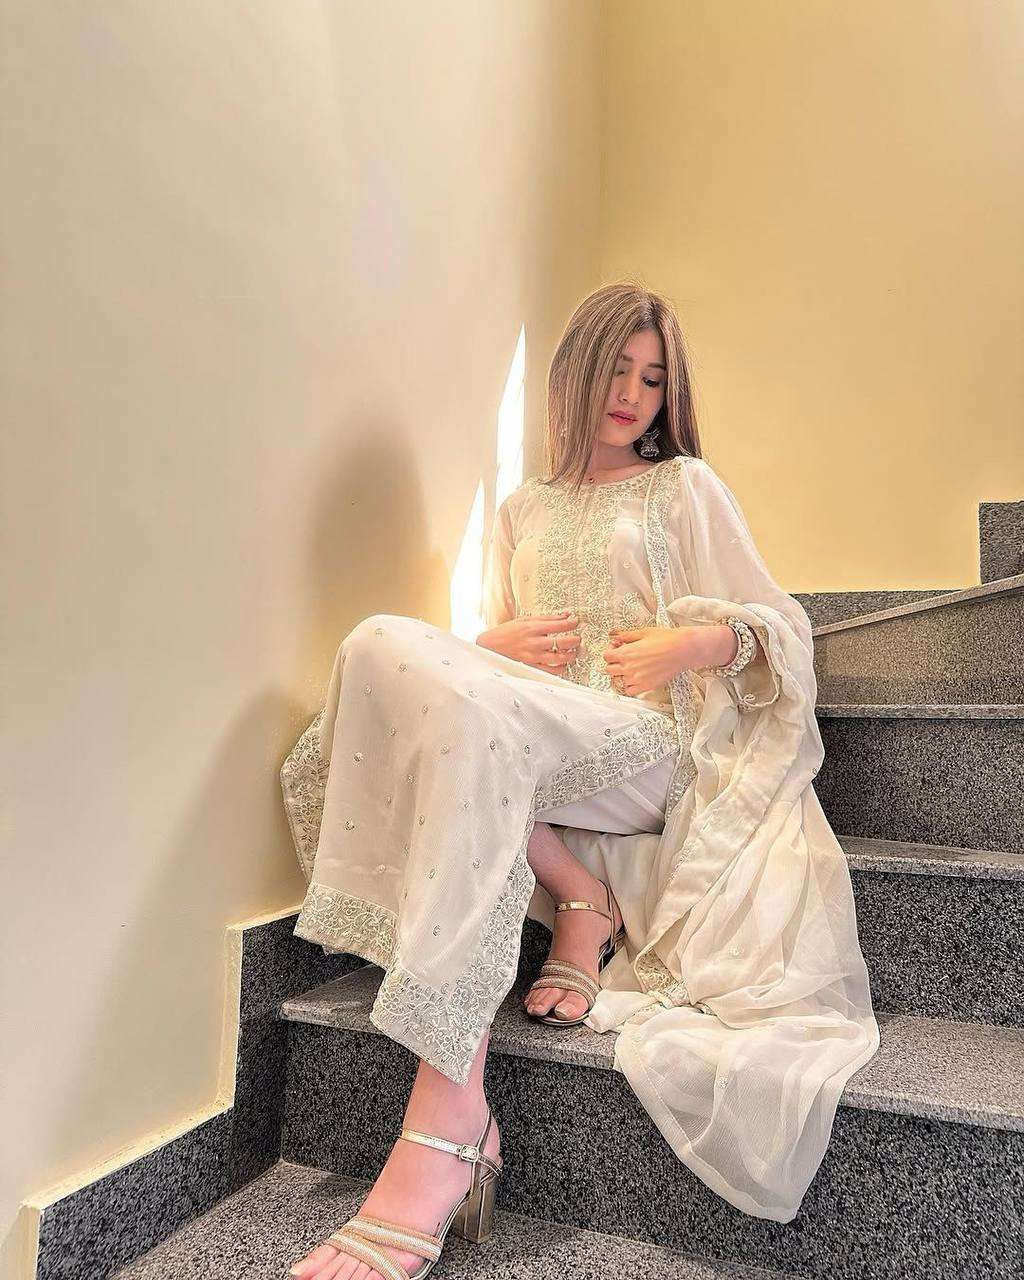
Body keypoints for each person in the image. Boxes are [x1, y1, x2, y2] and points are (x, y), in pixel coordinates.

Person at [282, 282, 879, 1280]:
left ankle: (446, 1110)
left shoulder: (683, 486)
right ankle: (576, 890)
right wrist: (491, 644)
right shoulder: (523, 509)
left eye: (653, 379)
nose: (632, 394)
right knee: (379, 643)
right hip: (540, 738)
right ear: (573, 373)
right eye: (616, 369)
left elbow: (782, 624)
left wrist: (696, 642)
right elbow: (480, 686)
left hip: (644, 746)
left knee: (466, 729)